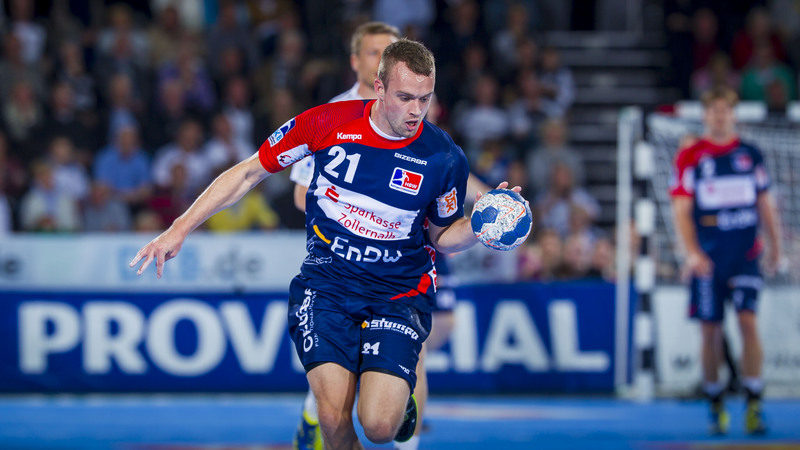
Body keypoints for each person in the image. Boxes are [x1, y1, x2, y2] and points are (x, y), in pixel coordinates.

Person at [130, 38, 523, 450]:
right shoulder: (326, 123)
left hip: (398, 292)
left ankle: (393, 393)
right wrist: (180, 227)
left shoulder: (444, 157)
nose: (415, 111)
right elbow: (248, 173)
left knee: (379, 427)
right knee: (332, 417)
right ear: (379, 88)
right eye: (405, 97)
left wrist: (480, 227)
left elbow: (442, 237)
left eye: (424, 99)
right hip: (327, 285)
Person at [670, 86, 781, 436]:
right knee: (710, 331)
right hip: (709, 259)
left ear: (733, 115)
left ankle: (754, 403)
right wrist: (692, 252)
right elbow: (681, 209)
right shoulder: (691, 157)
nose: (719, 116)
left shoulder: (750, 154)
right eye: (713, 110)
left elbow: (765, 204)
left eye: (725, 110)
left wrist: (776, 247)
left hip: (746, 255)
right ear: (705, 115)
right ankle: (715, 404)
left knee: (748, 322)